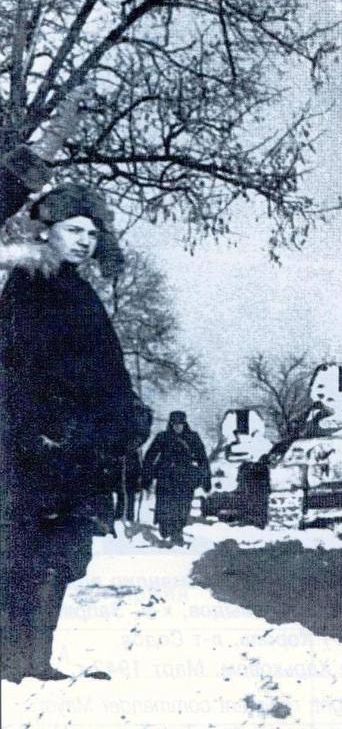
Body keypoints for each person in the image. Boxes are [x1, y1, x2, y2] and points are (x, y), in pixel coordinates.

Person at [1, 183, 147, 683]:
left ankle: (32, 661)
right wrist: (42, 428)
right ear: (47, 231)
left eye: (92, 232)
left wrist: (126, 413)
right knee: (30, 552)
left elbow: (103, 367)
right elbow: (18, 364)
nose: (85, 240)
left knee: (63, 553)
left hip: (77, 445)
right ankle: (15, 663)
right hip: (39, 447)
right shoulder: (29, 285)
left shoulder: (77, 289)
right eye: (74, 229)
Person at [142, 411, 211, 546]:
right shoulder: (163, 437)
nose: (177, 426)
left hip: (185, 479)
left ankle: (177, 533)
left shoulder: (192, 438)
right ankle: (166, 530)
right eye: (175, 424)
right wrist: (146, 476)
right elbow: (150, 457)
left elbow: (202, 458)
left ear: (184, 424)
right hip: (166, 479)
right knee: (164, 507)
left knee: (182, 508)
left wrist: (206, 478)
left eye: (180, 424)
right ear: (170, 424)